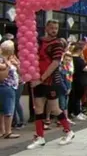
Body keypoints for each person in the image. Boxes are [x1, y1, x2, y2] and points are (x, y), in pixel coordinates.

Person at [28, 20, 74, 149]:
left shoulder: (57, 44)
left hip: (50, 80)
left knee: (54, 108)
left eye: (56, 28)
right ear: (46, 28)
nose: (54, 30)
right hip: (37, 78)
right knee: (38, 108)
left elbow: (55, 64)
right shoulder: (39, 41)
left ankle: (69, 131)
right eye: (52, 27)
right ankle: (40, 137)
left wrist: (41, 78)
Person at [0, 40, 21, 139]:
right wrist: (8, 66)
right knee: (8, 109)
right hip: (6, 87)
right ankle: (7, 131)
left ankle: (3, 130)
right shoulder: (2, 60)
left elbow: (20, 71)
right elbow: (2, 77)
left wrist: (17, 64)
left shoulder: (11, 58)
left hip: (11, 87)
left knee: (3, 109)